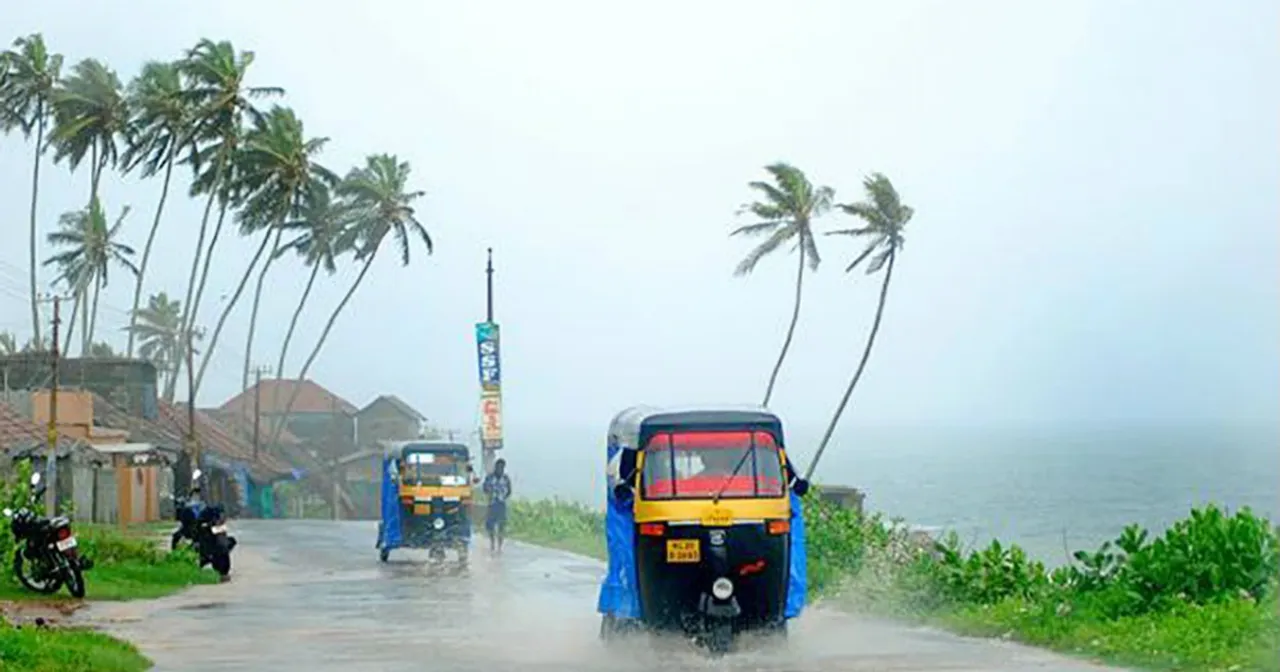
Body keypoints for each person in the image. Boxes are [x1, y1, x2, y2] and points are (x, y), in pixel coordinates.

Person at [482, 458, 513, 554]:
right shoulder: (490, 477)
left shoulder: (506, 478)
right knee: (490, 526)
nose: (500, 469)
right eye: (499, 467)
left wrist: (502, 497)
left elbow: (509, 490)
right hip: (492, 504)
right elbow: (485, 488)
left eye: (502, 467)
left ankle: (499, 546)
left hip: (501, 504)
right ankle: (492, 543)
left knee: (501, 526)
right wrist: (491, 493)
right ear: (496, 467)